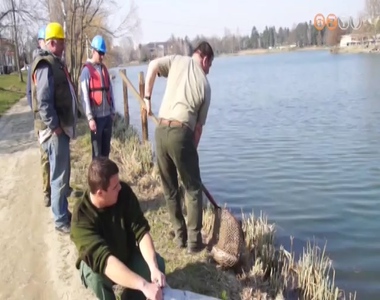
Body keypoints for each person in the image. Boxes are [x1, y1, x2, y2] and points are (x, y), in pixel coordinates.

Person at [143, 41, 213, 253]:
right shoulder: (206, 86)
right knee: (192, 188)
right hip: (182, 134)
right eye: (210, 66)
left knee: (170, 188)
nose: (209, 70)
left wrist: (147, 98)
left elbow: (153, 65)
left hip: (161, 131)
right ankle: (193, 242)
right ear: (205, 59)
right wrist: (190, 152)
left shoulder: (176, 60)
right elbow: (197, 130)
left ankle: (179, 236)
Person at [70, 157, 166, 300]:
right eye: (114, 187)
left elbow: (140, 231)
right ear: (100, 193)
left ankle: (131, 297)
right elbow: (105, 261)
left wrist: (153, 267)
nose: (120, 188)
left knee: (157, 263)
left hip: (125, 254)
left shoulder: (123, 193)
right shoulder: (81, 217)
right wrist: (143, 285)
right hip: (101, 266)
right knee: (96, 278)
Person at [30, 22, 79, 234]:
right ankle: (60, 221)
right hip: (53, 132)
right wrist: (55, 126)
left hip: (59, 129)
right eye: (61, 42)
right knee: (58, 175)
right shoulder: (45, 64)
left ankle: (62, 211)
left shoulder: (54, 62)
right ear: (52, 43)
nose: (64, 46)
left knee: (62, 173)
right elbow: (43, 101)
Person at [26, 25, 51, 207]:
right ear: (40, 42)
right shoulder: (36, 64)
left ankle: (59, 188)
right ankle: (46, 191)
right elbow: (30, 92)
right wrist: (37, 112)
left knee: (56, 156)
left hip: (50, 118)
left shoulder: (49, 61)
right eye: (44, 41)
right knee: (45, 157)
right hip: (41, 121)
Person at [80, 35, 115, 159]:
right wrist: (90, 118)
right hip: (96, 119)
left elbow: (110, 90)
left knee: (106, 152)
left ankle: (105, 178)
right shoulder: (86, 71)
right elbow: (84, 97)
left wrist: (112, 111)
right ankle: (95, 177)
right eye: (100, 53)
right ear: (93, 51)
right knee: (96, 154)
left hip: (107, 118)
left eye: (103, 53)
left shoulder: (104, 69)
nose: (102, 56)